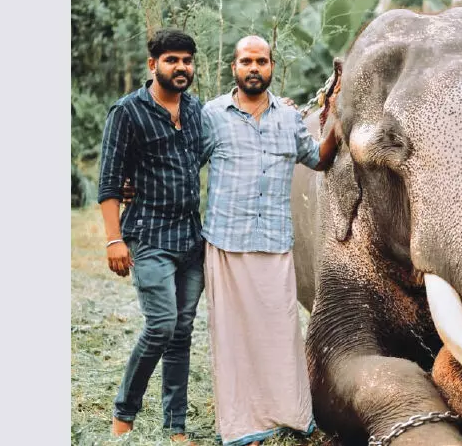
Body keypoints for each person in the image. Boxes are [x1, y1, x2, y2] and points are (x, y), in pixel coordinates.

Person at [199, 35, 340, 446]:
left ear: (272, 67)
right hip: (227, 241)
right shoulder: (212, 116)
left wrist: (340, 121)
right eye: (246, 61)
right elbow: (184, 161)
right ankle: (244, 426)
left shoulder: (289, 119)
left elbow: (318, 158)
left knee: (280, 332)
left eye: (261, 61)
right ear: (234, 68)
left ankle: (288, 414)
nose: (254, 68)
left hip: (276, 242)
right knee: (233, 338)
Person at [97, 28, 203, 445]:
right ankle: (124, 412)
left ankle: (175, 426)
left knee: (181, 332)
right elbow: (108, 183)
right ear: (152, 64)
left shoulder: (194, 110)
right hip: (149, 236)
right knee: (161, 325)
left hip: (192, 241)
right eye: (172, 59)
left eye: (187, 60)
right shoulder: (128, 112)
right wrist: (113, 239)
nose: (181, 67)